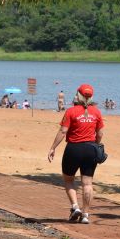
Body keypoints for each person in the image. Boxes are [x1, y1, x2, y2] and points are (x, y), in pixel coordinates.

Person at [47, 84, 104, 225]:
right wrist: (96, 143)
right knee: (87, 183)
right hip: (91, 149)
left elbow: (63, 131)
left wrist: (53, 147)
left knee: (68, 179)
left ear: (77, 94)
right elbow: (100, 133)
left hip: (73, 149)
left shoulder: (71, 111)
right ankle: (85, 214)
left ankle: (75, 206)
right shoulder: (96, 112)